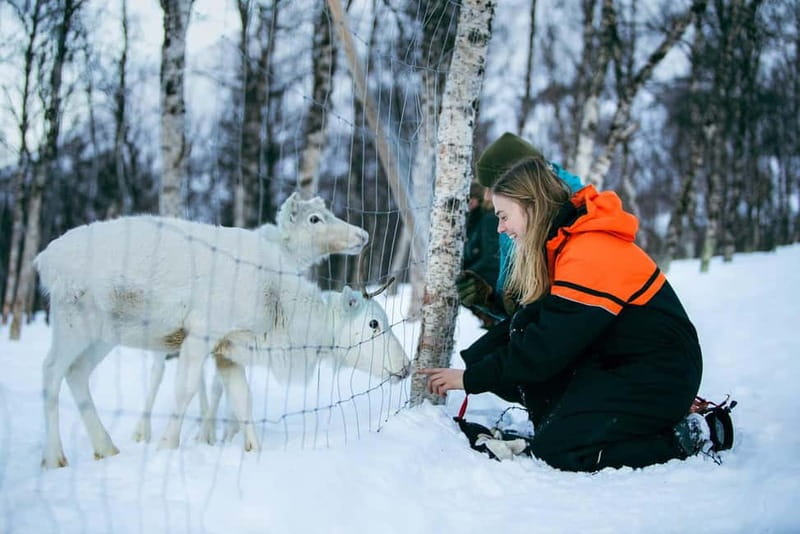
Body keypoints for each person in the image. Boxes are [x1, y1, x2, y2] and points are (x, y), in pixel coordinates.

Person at [419, 141, 732, 472]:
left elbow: (545, 349)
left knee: (560, 449)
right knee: (519, 337)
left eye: (503, 216)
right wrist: (478, 360)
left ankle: (693, 433)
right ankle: (582, 418)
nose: (501, 228)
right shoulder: (565, 242)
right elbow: (541, 327)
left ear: (530, 206)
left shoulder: (589, 250)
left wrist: (470, 379)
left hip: (659, 374)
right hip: (620, 363)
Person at [456, 133, 583, 324]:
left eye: (493, 188)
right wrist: (490, 299)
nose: (488, 197)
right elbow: (522, 306)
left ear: (522, 185)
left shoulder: (575, 223)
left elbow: (562, 323)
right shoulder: (515, 219)